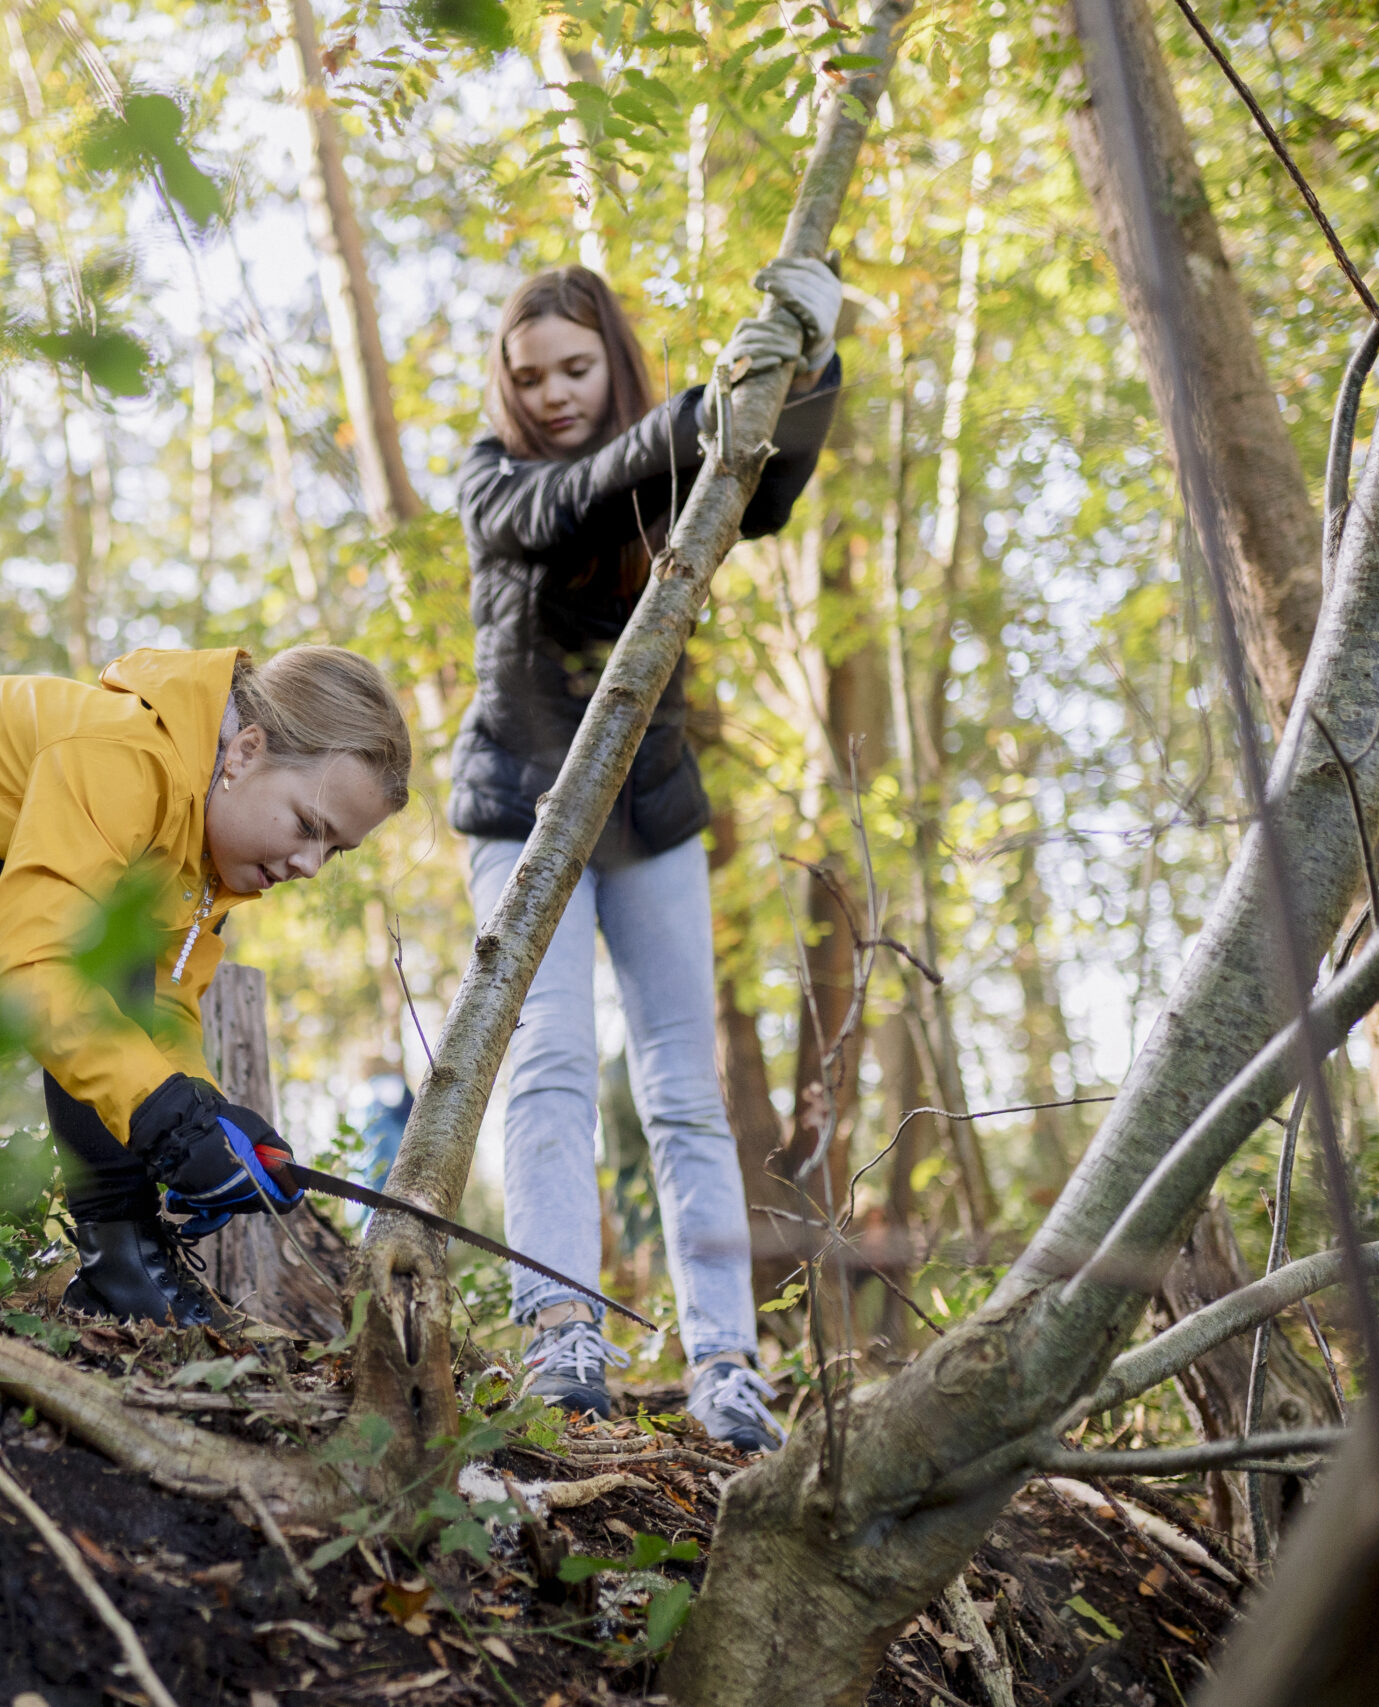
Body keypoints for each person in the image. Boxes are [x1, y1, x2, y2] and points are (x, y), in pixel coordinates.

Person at [451, 260, 844, 1451]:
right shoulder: (496, 478)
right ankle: (559, 1330)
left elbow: (763, 494)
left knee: (683, 1090)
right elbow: (555, 509)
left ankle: (726, 1363)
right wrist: (692, 415)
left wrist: (807, 367)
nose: (555, 393)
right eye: (531, 377)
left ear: (610, 359)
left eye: (576, 368)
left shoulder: (676, 470)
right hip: (521, 808)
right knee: (552, 1061)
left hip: (653, 811)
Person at [0, 644, 413, 1326]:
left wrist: (208, 1118)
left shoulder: (198, 847)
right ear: (244, 753)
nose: (312, 865)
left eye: (336, 849)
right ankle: (123, 1267)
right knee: (101, 943)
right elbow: (40, 964)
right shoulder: (127, 756)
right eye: (307, 826)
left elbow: (166, 1004)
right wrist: (164, 1119)